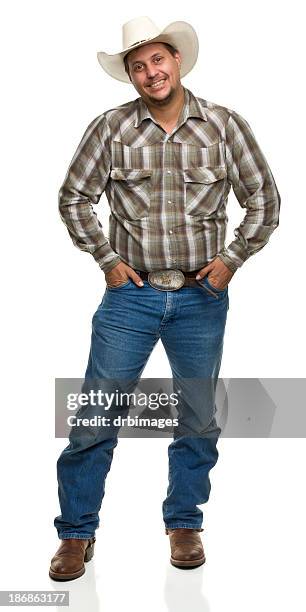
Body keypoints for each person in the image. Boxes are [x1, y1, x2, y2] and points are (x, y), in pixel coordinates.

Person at [49, 16, 281, 580]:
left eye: (158, 60)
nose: (150, 72)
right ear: (130, 77)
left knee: (198, 417)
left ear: (177, 61)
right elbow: (74, 198)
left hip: (202, 297)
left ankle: (184, 523)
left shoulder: (224, 126)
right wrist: (107, 261)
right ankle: (77, 533)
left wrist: (231, 260)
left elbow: (265, 201)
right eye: (138, 66)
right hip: (131, 298)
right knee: (95, 416)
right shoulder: (110, 128)